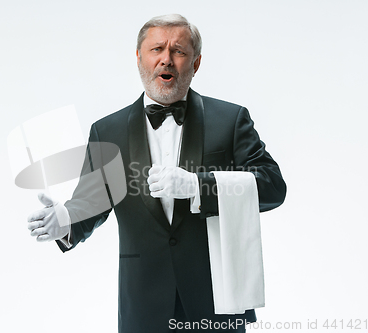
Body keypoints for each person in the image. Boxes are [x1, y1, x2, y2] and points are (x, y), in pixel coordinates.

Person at [27, 14, 286, 333]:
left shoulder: (230, 121)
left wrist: (197, 186)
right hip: (143, 304)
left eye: (178, 51)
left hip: (215, 301)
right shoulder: (108, 131)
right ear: (139, 58)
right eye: (156, 49)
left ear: (196, 62)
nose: (166, 59)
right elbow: (92, 203)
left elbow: (273, 187)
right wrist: (65, 221)